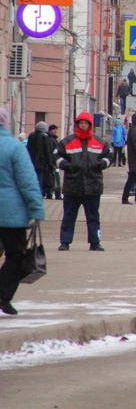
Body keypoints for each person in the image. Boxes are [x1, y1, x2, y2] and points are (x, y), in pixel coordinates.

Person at [0, 106, 46, 315]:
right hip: (11, 215)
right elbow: (28, 182)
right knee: (15, 256)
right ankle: (3, 295)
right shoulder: (14, 147)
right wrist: (36, 209)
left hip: (10, 214)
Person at [55, 112, 111, 251]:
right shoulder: (67, 142)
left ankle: (95, 242)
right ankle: (65, 241)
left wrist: (102, 164)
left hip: (93, 186)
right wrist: (66, 166)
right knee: (69, 215)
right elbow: (56, 158)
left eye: (86, 123)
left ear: (90, 125)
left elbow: (109, 156)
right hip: (73, 186)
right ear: (77, 125)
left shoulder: (99, 142)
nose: (83, 125)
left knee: (93, 216)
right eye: (81, 123)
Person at [26, 121, 55, 200]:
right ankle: (39, 193)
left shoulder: (31, 136)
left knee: (32, 178)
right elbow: (47, 151)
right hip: (42, 162)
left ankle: (32, 193)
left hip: (31, 161)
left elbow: (28, 149)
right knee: (40, 178)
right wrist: (50, 163)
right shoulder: (45, 137)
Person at [47, 124, 63, 200]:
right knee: (56, 179)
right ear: (50, 130)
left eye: (56, 129)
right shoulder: (51, 140)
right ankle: (57, 195)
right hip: (53, 162)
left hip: (53, 162)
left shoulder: (53, 139)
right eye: (54, 129)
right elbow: (52, 152)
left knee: (52, 179)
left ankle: (50, 194)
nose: (55, 131)